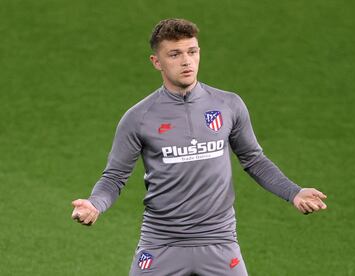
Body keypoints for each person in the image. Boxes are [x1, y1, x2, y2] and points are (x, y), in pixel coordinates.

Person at [71, 18, 328, 276]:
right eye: (175, 54)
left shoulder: (228, 105)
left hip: (220, 243)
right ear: (156, 62)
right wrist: (95, 204)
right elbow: (115, 177)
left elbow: (253, 160)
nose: (186, 61)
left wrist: (294, 193)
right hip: (160, 244)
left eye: (192, 52)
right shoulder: (138, 118)